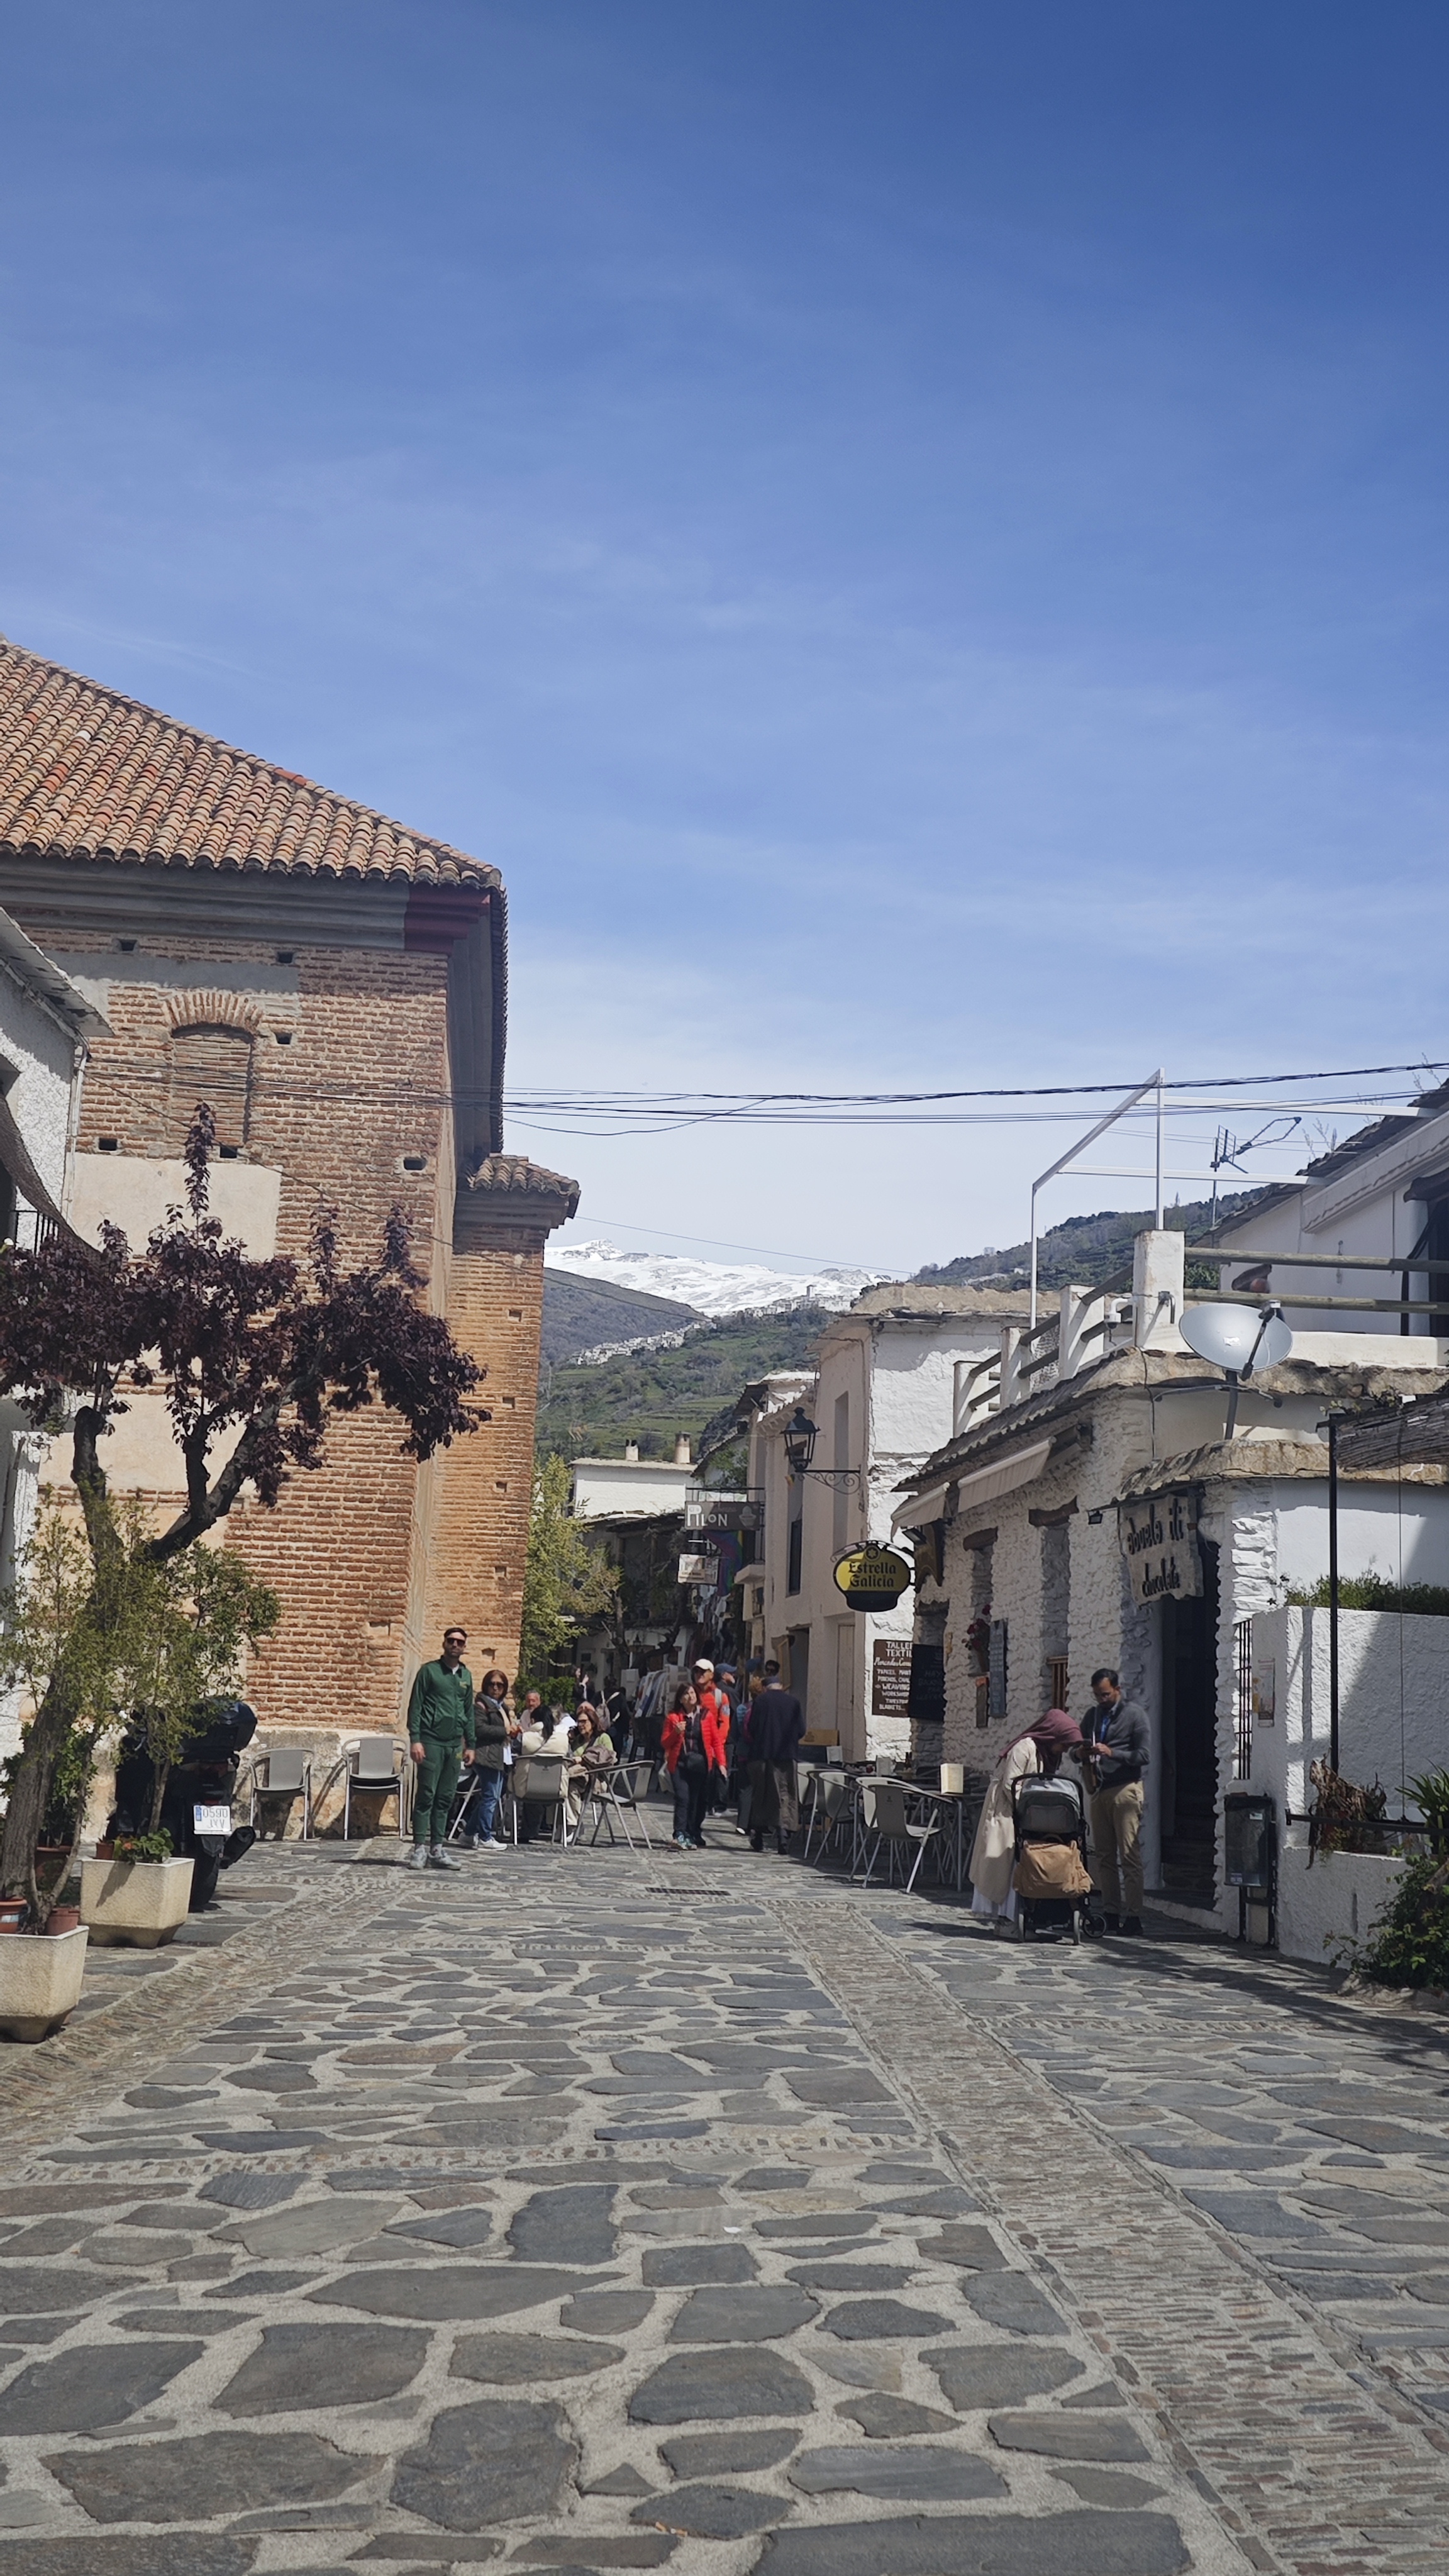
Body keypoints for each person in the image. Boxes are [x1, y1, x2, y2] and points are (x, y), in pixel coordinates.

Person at [967, 1707, 1084, 1927]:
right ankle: (1005, 1914)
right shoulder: (1024, 1748)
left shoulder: (1049, 1753)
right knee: (1003, 1860)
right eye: (1064, 1744)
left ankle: (1024, 1912)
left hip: (1028, 1813)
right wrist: (1030, 1809)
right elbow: (1012, 1784)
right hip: (1007, 1808)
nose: (1065, 1749)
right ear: (1053, 1736)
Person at [1077, 1667, 1151, 1935]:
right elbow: (1076, 1748)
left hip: (1125, 1788)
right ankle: (1110, 1910)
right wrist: (1081, 1751)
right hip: (1099, 1789)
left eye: (1106, 1694)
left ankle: (1133, 1915)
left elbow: (1143, 1755)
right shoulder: (1093, 1716)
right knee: (1105, 1856)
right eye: (1097, 1695)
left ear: (1118, 1690)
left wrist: (1113, 1752)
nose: (1102, 1699)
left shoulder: (1135, 1715)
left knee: (1129, 1854)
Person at [406, 1626, 476, 1872]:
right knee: (426, 1795)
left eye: (460, 1642)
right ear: (444, 1644)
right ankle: (418, 1849)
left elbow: (469, 1712)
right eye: (451, 1641)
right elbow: (415, 1706)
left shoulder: (466, 1677)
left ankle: (438, 1848)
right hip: (431, 1741)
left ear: (464, 1647)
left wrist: (471, 1745)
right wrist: (416, 1739)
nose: (455, 1645)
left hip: (454, 1745)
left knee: (446, 1797)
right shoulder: (429, 1672)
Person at [744, 1659, 805, 1854]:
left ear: (766, 1687)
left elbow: (752, 1728)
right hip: (787, 1757)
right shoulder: (794, 1703)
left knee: (762, 1796)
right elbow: (801, 1730)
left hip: (762, 1755)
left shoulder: (760, 1702)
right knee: (786, 1794)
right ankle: (783, 1836)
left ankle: (759, 1837)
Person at [663, 1679, 727, 1850]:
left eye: (692, 1693)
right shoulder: (673, 1717)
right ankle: (679, 1833)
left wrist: (721, 1763)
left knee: (697, 1801)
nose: (690, 1696)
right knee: (683, 1798)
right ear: (681, 1699)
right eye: (686, 1694)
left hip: (700, 1764)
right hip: (679, 1764)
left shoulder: (707, 1716)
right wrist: (676, 1733)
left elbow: (716, 1742)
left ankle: (692, 1831)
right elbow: (665, 1743)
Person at [462, 1667, 512, 1850]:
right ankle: (484, 1836)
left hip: (499, 1755)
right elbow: (479, 1729)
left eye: (500, 1685)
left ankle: (468, 1834)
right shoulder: (481, 1706)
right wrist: (504, 1732)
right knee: (490, 1797)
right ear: (486, 1686)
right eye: (492, 1684)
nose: (496, 1688)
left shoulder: (501, 1706)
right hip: (486, 1755)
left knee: (491, 1797)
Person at [568, 1706, 616, 1823]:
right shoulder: (577, 1740)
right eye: (578, 1722)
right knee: (562, 1786)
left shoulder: (603, 1738)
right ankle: (560, 1825)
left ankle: (573, 1826)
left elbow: (610, 1760)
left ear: (593, 1723)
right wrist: (569, 1740)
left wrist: (585, 1760)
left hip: (597, 1781)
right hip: (578, 1778)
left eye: (584, 1722)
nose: (580, 1725)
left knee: (570, 1788)